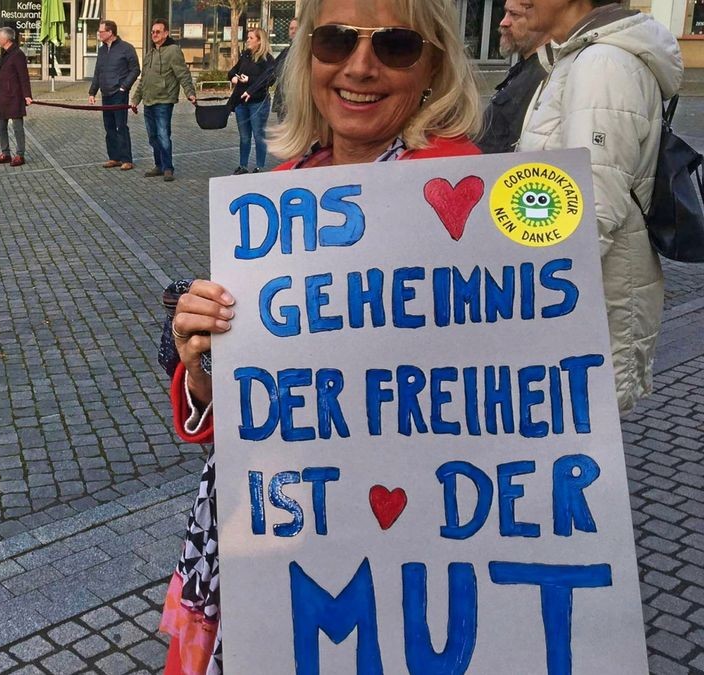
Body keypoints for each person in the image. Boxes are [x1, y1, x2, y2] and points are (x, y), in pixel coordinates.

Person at [161, 0, 481, 672]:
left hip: (415, 548)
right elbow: (241, 405)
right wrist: (201, 364)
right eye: (336, 41)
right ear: (308, 58)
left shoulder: (465, 200)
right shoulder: (279, 196)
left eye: (393, 45)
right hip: (276, 536)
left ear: (433, 66)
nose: (359, 67)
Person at [518, 0, 682, 413]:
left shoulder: (601, 64)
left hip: (586, 297)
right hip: (581, 291)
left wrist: (536, 298)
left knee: (581, 437)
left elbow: (591, 201)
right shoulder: (579, 56)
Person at [477, 0, 550, 153]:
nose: (504, 22)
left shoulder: (546, 75)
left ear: (541, 21)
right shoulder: (524, 68)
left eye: (514, 14)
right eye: (506, 13)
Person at [133, 19, 196, 182]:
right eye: (152, 32)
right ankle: (159, 165)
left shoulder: (173, 51)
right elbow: (143, 80)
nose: (154, 34)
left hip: (164, 100)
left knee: (163, 135)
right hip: (148, 101)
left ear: (166, 33)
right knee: (153, 136)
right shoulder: (150, 54)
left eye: (158, 32)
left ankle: (168, 168)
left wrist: (190, 92)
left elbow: (183, 74)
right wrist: (135, 99)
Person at [88, 20, 140, 171]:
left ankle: (126, 159)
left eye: (101, 31)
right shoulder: (102, 50)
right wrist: (92, 92)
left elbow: (135, 69)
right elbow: (98, 72)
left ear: (110, 32)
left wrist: (124, 86)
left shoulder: (126, 48)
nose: (99, 34)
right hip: (106, 93)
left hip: (119, 93)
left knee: (121, 126)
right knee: (109, 127)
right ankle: (114, 157)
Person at [228, 28, 276, 174]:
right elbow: (233, 70)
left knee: (258, 134)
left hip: (258, 102)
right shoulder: (246, 56)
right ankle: (243, 165)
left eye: (251, 38)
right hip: (241, 102)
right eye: (247, 37)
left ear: (259, 41)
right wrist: (233, 77)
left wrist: (250, 80)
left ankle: (259, 166)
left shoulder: (267, 59)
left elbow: (270, 79)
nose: (247, 40)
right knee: (244, 136)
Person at [0, 26, 33, 167]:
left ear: (6, 39)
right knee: (1, 127)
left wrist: (27, 95)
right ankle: (6, 153)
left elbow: (24, 77)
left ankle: (20, 155)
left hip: (14, 97)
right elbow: (0, 77)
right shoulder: (4, 53)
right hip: (3, 97)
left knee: (17, 127)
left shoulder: (17, 54)